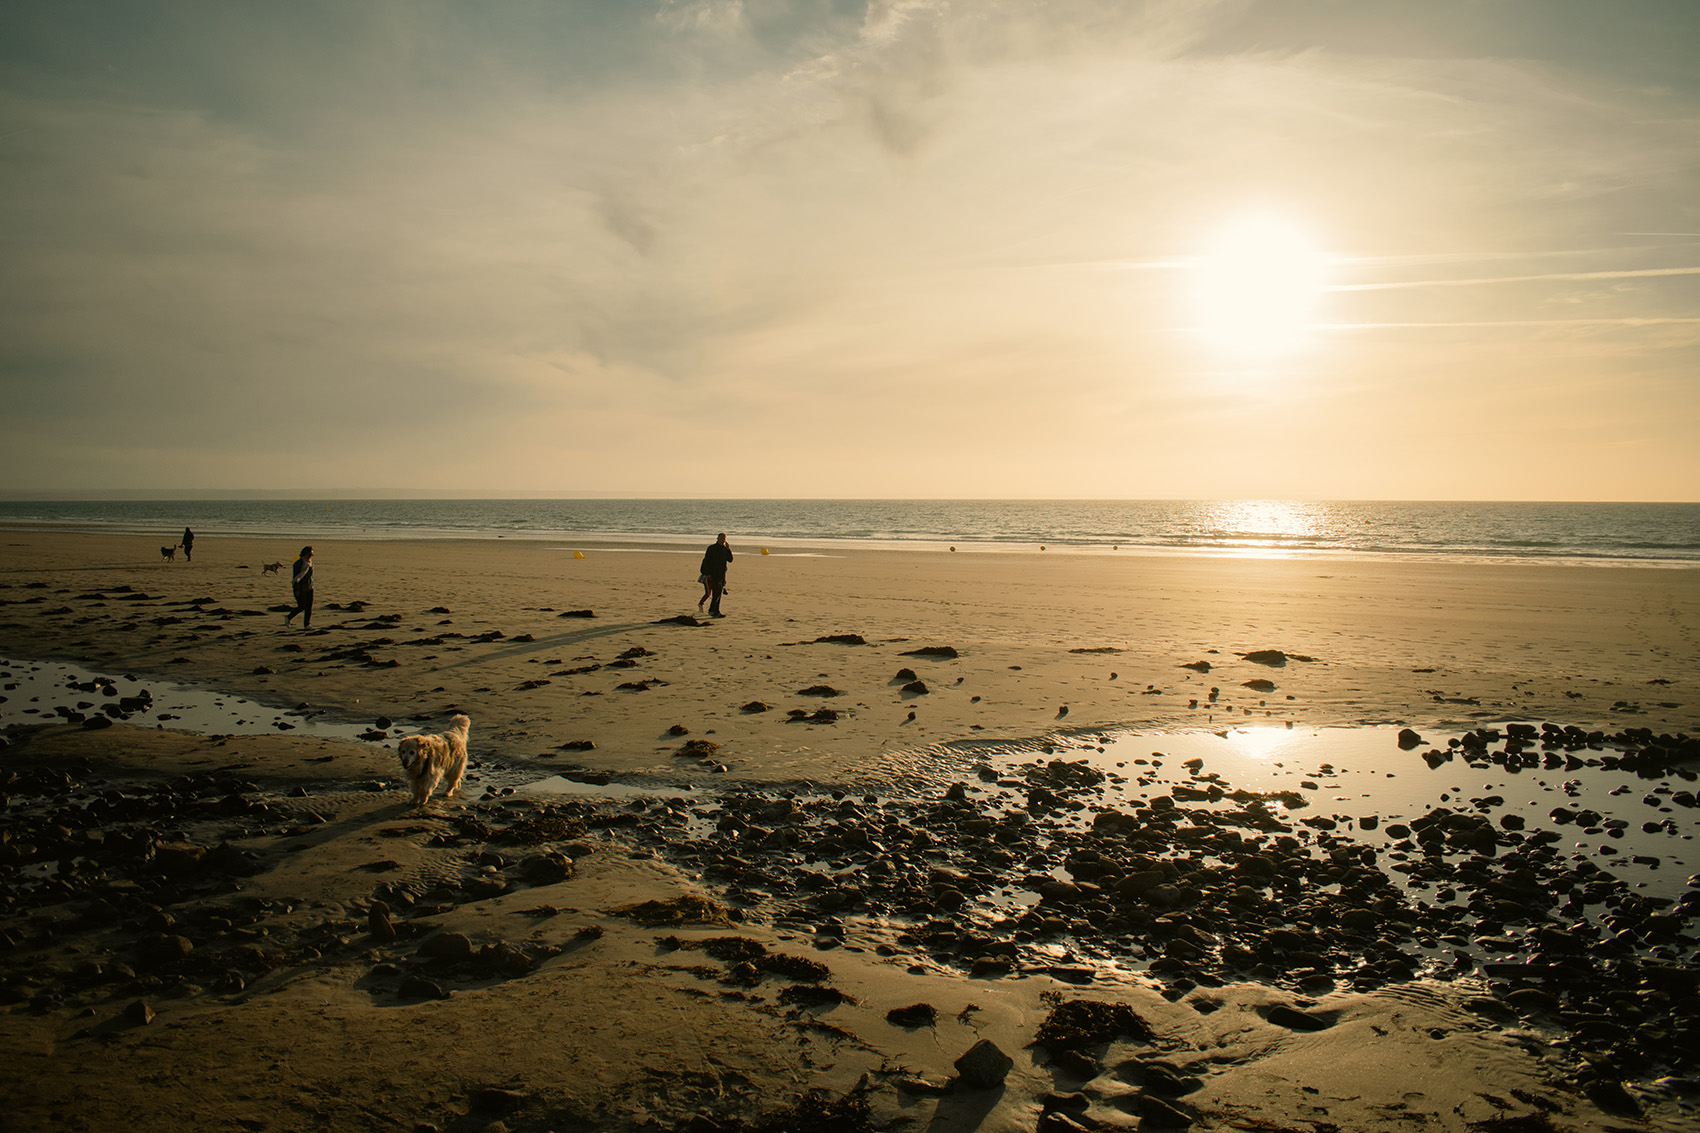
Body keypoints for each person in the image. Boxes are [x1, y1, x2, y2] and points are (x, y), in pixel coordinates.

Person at [698, 533, 733, 617]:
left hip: (721, 575)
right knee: (715, 593)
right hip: (712, 575)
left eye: (724, 538)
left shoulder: (725, 549)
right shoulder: (711, 548)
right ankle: (713, 611)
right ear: (717, 538)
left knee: (718, 594)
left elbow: (730, 560)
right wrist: (707, 574)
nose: (723, 540)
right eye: (721, 538)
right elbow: (706, 561)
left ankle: (715, 610)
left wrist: (729, 550)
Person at [284, 545, 314, 628]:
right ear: (304, 554)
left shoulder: (310, 563)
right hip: (300, 588)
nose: (310, 557)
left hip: (309, 587)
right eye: (309, 555)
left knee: (309, 607)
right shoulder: (298, 563)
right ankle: (289, 617)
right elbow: (296, 577)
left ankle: (307, 624)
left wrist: (311, 585)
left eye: (311, 555)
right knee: (302, 606)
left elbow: (310, 576)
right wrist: (297, 589)